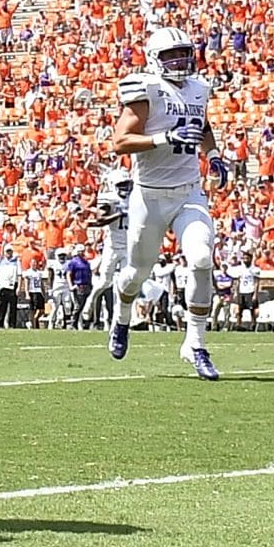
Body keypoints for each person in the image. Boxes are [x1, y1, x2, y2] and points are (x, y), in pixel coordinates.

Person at [104, 26, 220, 380]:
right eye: (170, 55)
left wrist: (213, 155)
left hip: (188, 192)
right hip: (149, 194)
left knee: (201, 258)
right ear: (155, 59)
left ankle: (195, 344)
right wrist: (163, 137)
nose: (179, 60)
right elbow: (120, 142)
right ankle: (121, 318)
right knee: (136, 273)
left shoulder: (199, 88)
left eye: (183, 52)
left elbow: (202, 125)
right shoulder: (146, 88)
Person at [85, 166, 131, 329]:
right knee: (105, 281)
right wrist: (119, 214)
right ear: (113, 185)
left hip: (129, 247)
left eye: (127, 184)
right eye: (121, 185)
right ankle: (91, 300)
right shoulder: (109, 198)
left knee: (126, 283)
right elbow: (100, 220)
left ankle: (119, 321)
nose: (125, 188)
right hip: (112, 246)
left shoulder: (136, 198)